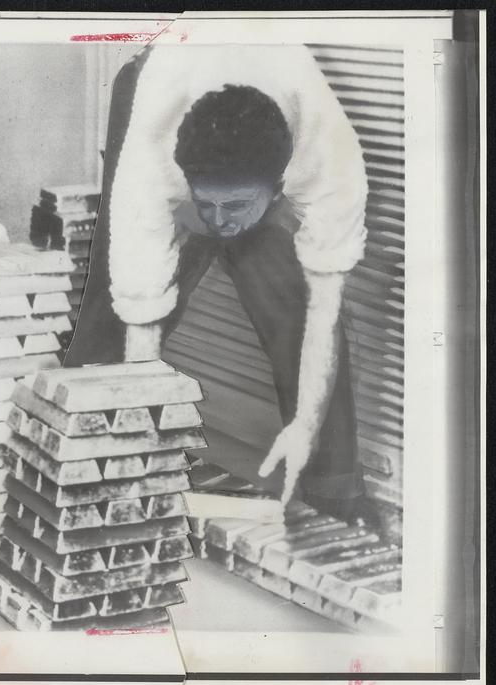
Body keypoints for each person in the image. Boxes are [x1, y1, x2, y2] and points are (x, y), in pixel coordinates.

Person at [64, 44, 375, 526]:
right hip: (164, 78)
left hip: (267, 110)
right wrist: (133, 450)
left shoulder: (329, 166)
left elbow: (323, 312)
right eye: (205, 206)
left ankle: (335, 489)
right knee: (116, 300)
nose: (216, 222)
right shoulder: (151, 167)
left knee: (292, 301)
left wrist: (305, 426)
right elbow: (141, 314)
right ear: (185, 180)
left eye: (235, 208)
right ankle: (81, 448)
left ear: (278, 190)